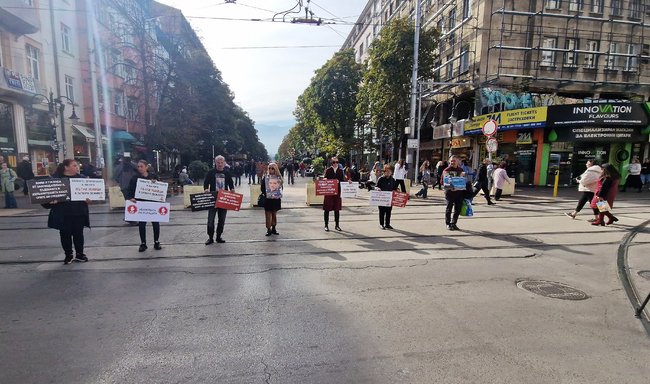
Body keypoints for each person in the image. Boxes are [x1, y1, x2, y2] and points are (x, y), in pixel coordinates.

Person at [42, 159, 90, 264]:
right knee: (65, 235)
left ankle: (79, 254)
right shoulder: (55, 179)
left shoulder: (82, 179)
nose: (77, 167)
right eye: (74, 165)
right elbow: (44, 197)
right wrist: (50, 202)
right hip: (63, 213)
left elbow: (89, 195)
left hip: (79, 212)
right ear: (66, 167)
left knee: (79, 234)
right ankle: (68, 254)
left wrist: (89, 199)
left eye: (77, 165)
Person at [126, 160, 163, 252]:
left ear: (146, 167)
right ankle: (143, 243)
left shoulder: (153, 176)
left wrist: (156, 183)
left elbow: (160, 188)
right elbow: (129, 189)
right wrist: (131, 198)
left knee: (155, 223)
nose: (139, 168)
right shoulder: (135, 178)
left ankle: (156, 241)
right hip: (141, 204)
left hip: (153, 203)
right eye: (138, 167)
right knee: (142, 224)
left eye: (141, 166)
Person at [204, 155, 235, 244]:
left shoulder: (227, 173)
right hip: (213, 198)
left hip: (223, 198)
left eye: (222, 162)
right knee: (210, 220)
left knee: (221, 220)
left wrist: (232, 189)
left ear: (224, 163)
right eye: (218, 162)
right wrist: (206, 189)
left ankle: (218, 236)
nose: (220, 164)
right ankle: (210, 237)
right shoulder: (211, 172)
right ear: (215, 163)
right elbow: (206, 182)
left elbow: (231, 183)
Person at [323, 156, 347, 231]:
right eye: (334, 162)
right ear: (331, 163)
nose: (335, 163)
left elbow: (342, 180)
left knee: (337, 209)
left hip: (337, 192)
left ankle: (337, 225)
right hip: (329, 192)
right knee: (327, 208)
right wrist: (325, 179)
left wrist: (348, 182)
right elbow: (325, 178)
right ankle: (326, 225)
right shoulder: (328, 170)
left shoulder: (340, 170)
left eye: (337, 162)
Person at [441, 156, 466, 231]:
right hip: (449, 193)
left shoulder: (461, 170)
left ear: (458, 161)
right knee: (449, 208)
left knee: (457, 209)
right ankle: (448, 224)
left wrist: (463, 177)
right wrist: (450, 186)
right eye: (451, 161)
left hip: (459, 192)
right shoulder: (446, 170)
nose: (452, 162)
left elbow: (463, 181)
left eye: (454, 161)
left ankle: (454, 223)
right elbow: (442, 182)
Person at [261, 162, 283, 236]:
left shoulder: (278, 177)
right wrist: (267, 193)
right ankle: (268, 229)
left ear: (275, 169)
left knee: (274, 213)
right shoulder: (266, 177)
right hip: (268, 199)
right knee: (268, 214)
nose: (270, 170)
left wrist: (277, 190)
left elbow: (281, 188)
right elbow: (262, 187)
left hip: (275, 199)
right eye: (269, 168)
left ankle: (274, 228)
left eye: (272, 168)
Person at [375, 164, 398, 229]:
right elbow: (376, 186)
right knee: (382, 212)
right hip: (382, 198)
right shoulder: (381, 179)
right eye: (387, 171)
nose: (388, 173)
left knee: (388, 212)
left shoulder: (392, 179)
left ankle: (387, 224)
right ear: (384, 172)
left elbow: (395, 187)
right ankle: (381, 224)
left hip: (389, 199)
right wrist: (377, 189)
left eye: (389, 172)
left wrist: (396, 190)